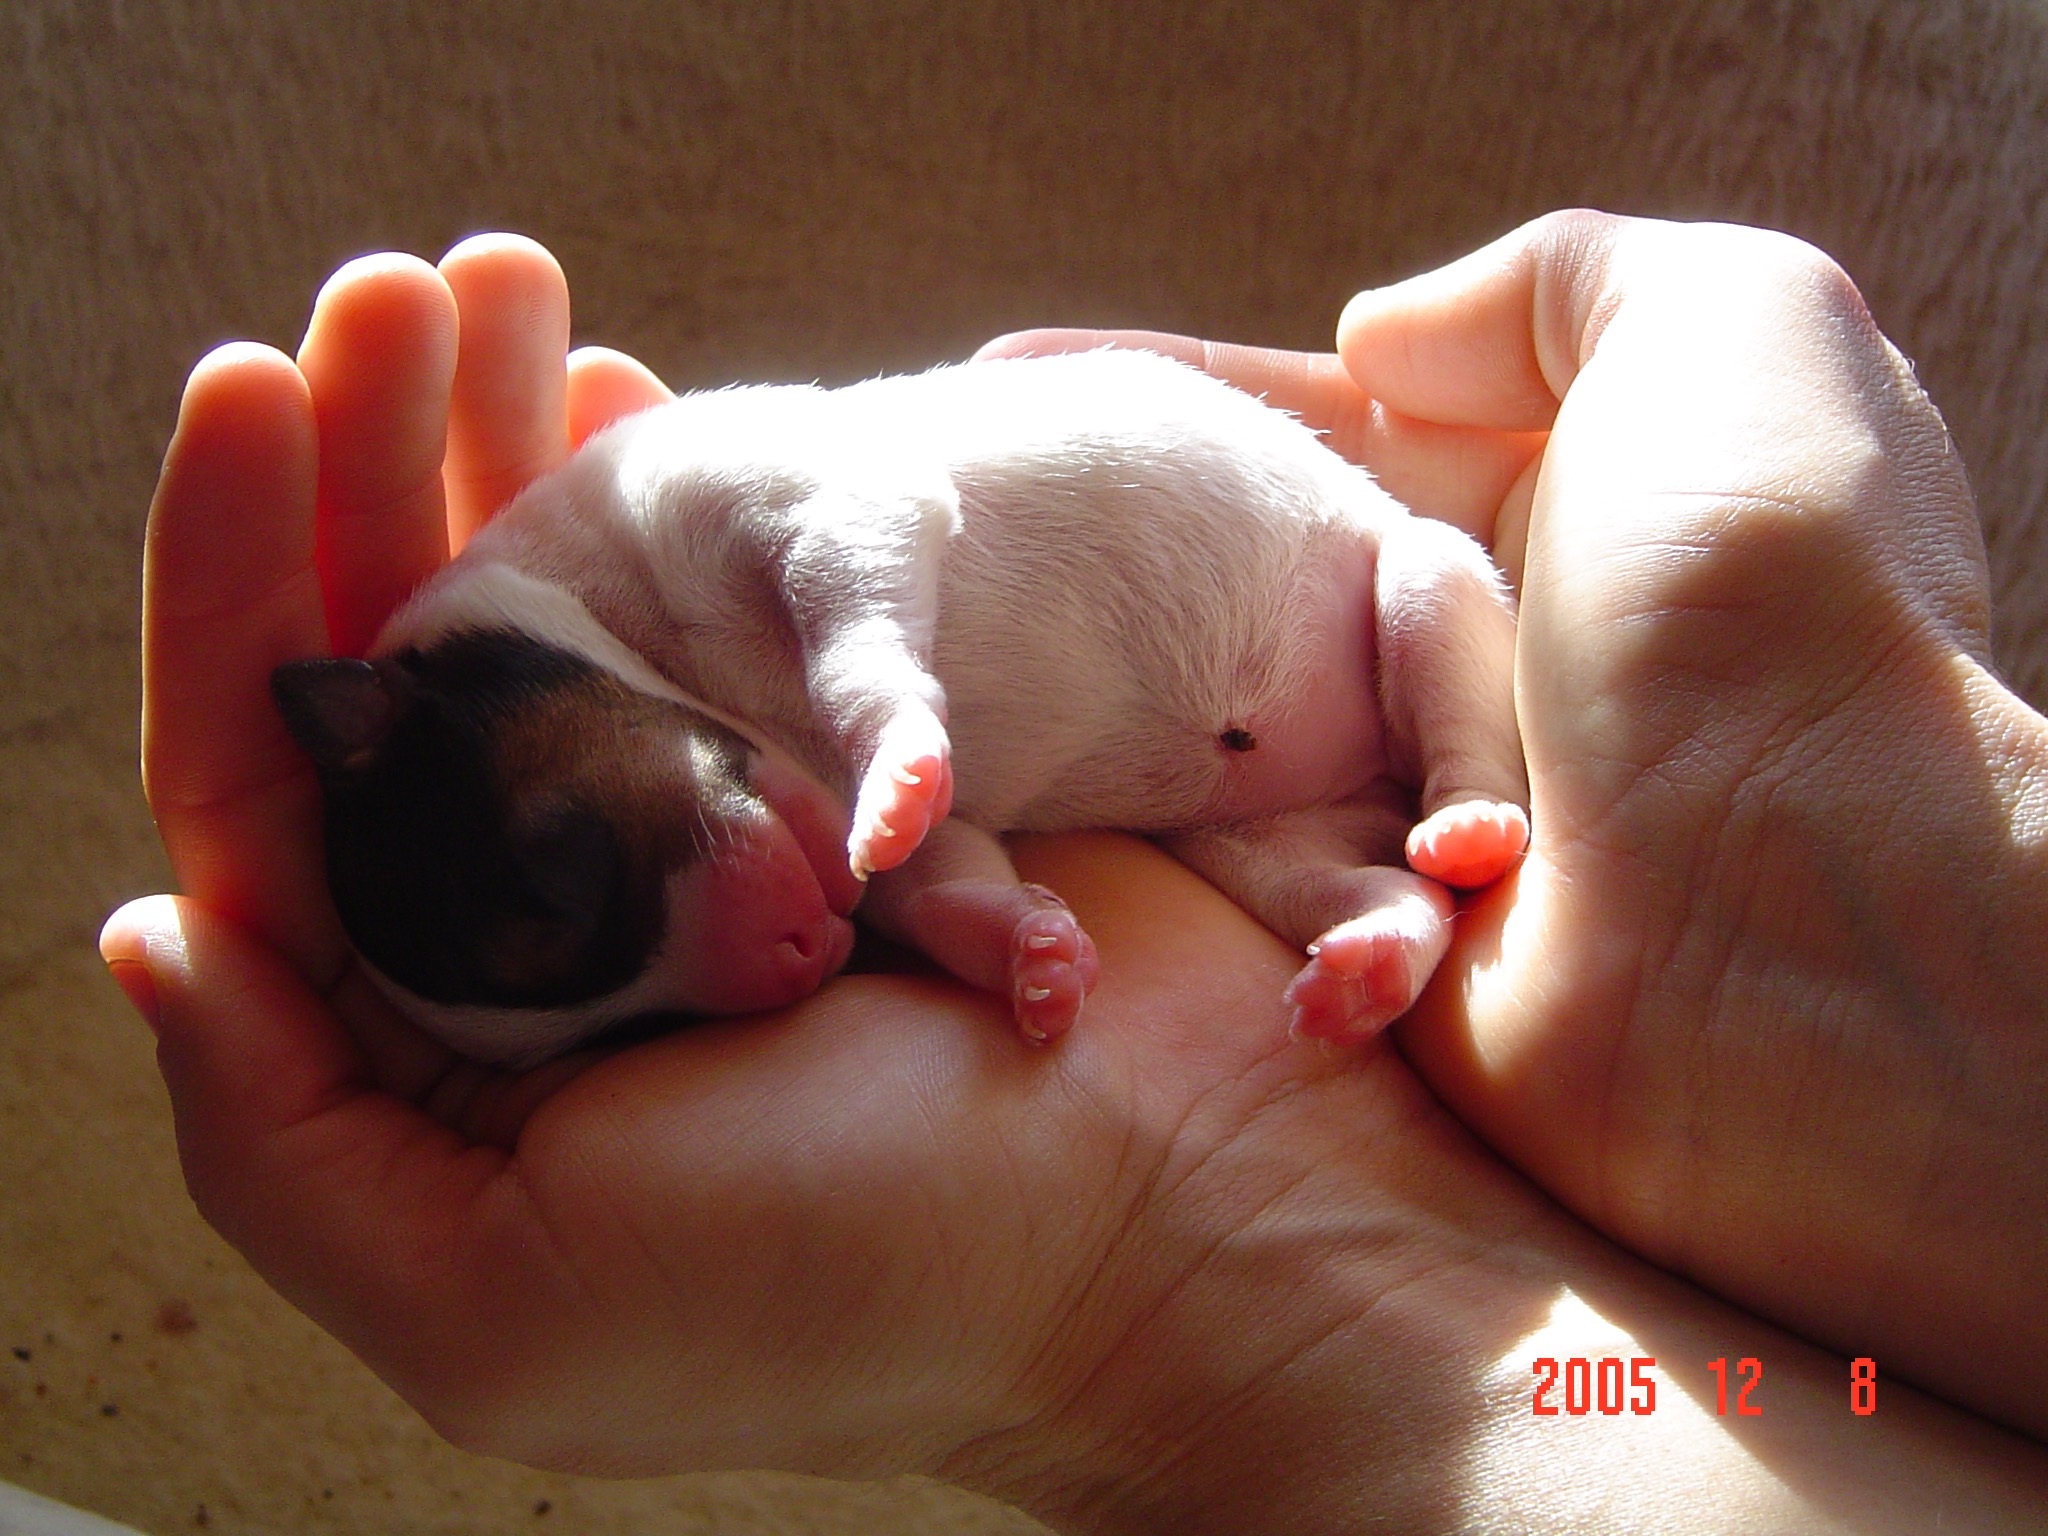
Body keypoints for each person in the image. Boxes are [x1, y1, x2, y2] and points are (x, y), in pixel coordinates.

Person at [99, 214, 2048, 1531]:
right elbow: (920, 849)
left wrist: (872, 689)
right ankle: (1380, 906)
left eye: (595, 878)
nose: (751, 965)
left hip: (1347, 593)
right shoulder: (753, 775)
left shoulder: (644, 507)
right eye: (639, 1015)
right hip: (1222, 805)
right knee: (1215, 864)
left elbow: (873, 502)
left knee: (1440, 582)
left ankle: (1466, 780)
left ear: (429, 695)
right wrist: (989, 931)